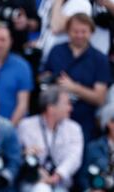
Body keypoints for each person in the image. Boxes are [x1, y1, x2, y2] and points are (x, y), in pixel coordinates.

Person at [14, 85, 83, 192]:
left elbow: (74, 158)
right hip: (30, 185)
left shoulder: (74, 128)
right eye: (66, 104)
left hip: (59, 189)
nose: (71, 108)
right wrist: (27, 155)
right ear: (51, 108)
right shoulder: (26, 125)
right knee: (40, 189)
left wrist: (56, 176)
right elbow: (17, 156)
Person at [42, 13, 111, 142]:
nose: (79, 35)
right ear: (68, 31)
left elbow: (100, 98)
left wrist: (73, 87)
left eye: (84, 31)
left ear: (91, 32)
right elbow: (44, 78)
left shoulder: (100, 59)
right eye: (75, 31)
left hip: (83, 123)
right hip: (53, 118)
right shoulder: (56, 51)